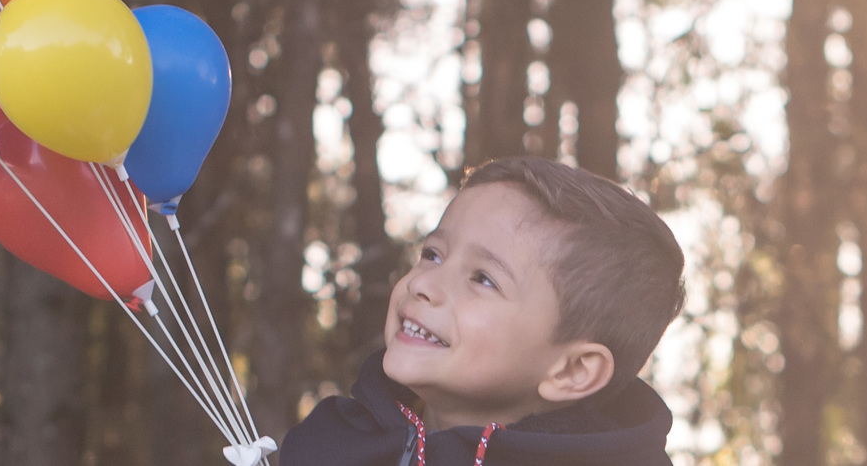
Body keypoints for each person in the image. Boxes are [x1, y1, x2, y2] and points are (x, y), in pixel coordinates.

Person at [279, 155, 686, 466]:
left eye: (483, 279)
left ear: (572, 371)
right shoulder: (329, 442)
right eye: (433, 254)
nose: (421, 284)